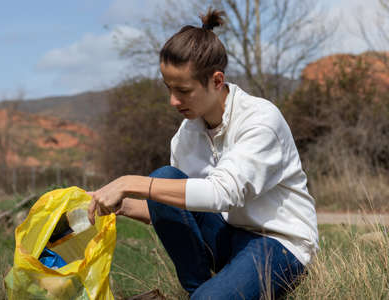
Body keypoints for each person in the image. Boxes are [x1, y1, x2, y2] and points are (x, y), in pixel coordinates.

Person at [87, 8, 318, 300]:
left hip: (280, 246)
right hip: (229, 236)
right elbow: (174, 207)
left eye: (183, 90)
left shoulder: (261, 120)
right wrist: (120, 205)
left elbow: (222, 193)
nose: (173, 101)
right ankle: (198, 290)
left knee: (158, 182)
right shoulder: (186, 135)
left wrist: (129, 182)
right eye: (168, 88)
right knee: (165, 179)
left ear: (217, 81)